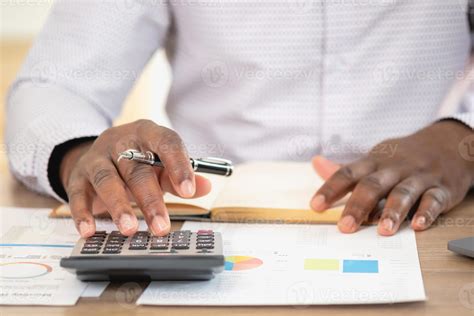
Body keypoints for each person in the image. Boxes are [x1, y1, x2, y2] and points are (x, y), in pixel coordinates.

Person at [6, 0, 474, 238]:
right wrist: (81, 156)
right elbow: (54, 86)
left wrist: (463, 135)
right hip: (203, 220)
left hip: (435, 217)